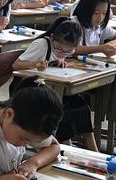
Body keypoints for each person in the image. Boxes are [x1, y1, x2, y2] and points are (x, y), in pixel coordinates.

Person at [13, 19, 99, 151]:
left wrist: (59, 61)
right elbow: (16, 65)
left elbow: (57, 58)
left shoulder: (63, 50)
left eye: (68, 52)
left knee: (81, 107)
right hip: (28, 90)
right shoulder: (41, 45)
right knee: (61, 109)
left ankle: (93, 150)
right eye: (59, 49)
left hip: (51, 88)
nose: (61, 54)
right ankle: (65, 148)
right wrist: (36, 64)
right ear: (52, 37)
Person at [71, 0, 116, 140]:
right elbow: (74, 49)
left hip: (94, 69)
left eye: (104, 13)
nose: (100, 18)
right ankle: (92, 129)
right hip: (76, 71)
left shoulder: (100, 26)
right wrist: (101, 48)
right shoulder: (74, 23)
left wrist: (112, 46)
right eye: (96, 13)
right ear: (86, 10)